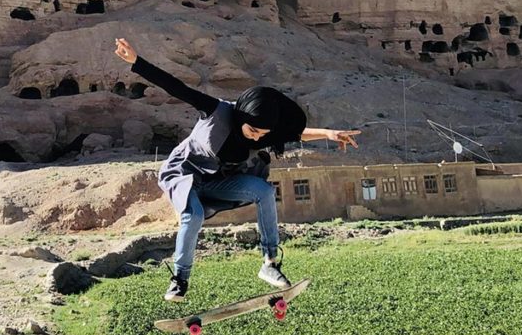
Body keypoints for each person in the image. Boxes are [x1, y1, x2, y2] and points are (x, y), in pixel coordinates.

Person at [114, 37, 361, 302]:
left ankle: (269, 262)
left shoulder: (260, 132)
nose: (257, 138)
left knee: (265, 191)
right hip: (185, 173)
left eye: (262, 134)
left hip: (217, 181)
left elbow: (296, 134)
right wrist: (137, 62)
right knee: (193, 215)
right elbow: (176, 87)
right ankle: (180, 279)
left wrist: (329, 133)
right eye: (253, 131)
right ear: (242, 117)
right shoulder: (216, 111)